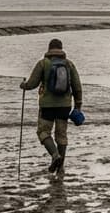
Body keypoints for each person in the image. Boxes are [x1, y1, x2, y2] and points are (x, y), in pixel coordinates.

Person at [19, 38, 82, 176]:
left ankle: (55, 155)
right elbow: (77, 86)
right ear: (61, 49)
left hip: (47, 106)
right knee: (61, 135)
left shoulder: (43, 63)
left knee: (43, 132)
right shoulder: (69, 64)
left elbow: (32, 84)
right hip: (64, 106)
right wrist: (78, 105)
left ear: (49, 49)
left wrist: (23, 85)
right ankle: (61, 167)